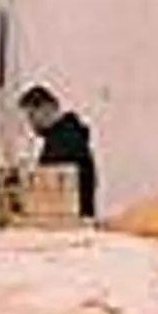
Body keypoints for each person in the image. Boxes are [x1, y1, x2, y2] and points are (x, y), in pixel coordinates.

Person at [18, 85, 98, 218]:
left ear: (47, 108)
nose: (30, 124)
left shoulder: (63, 141)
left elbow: (49, 187)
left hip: (68, 221)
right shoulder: (69, 135)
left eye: (32, 116)